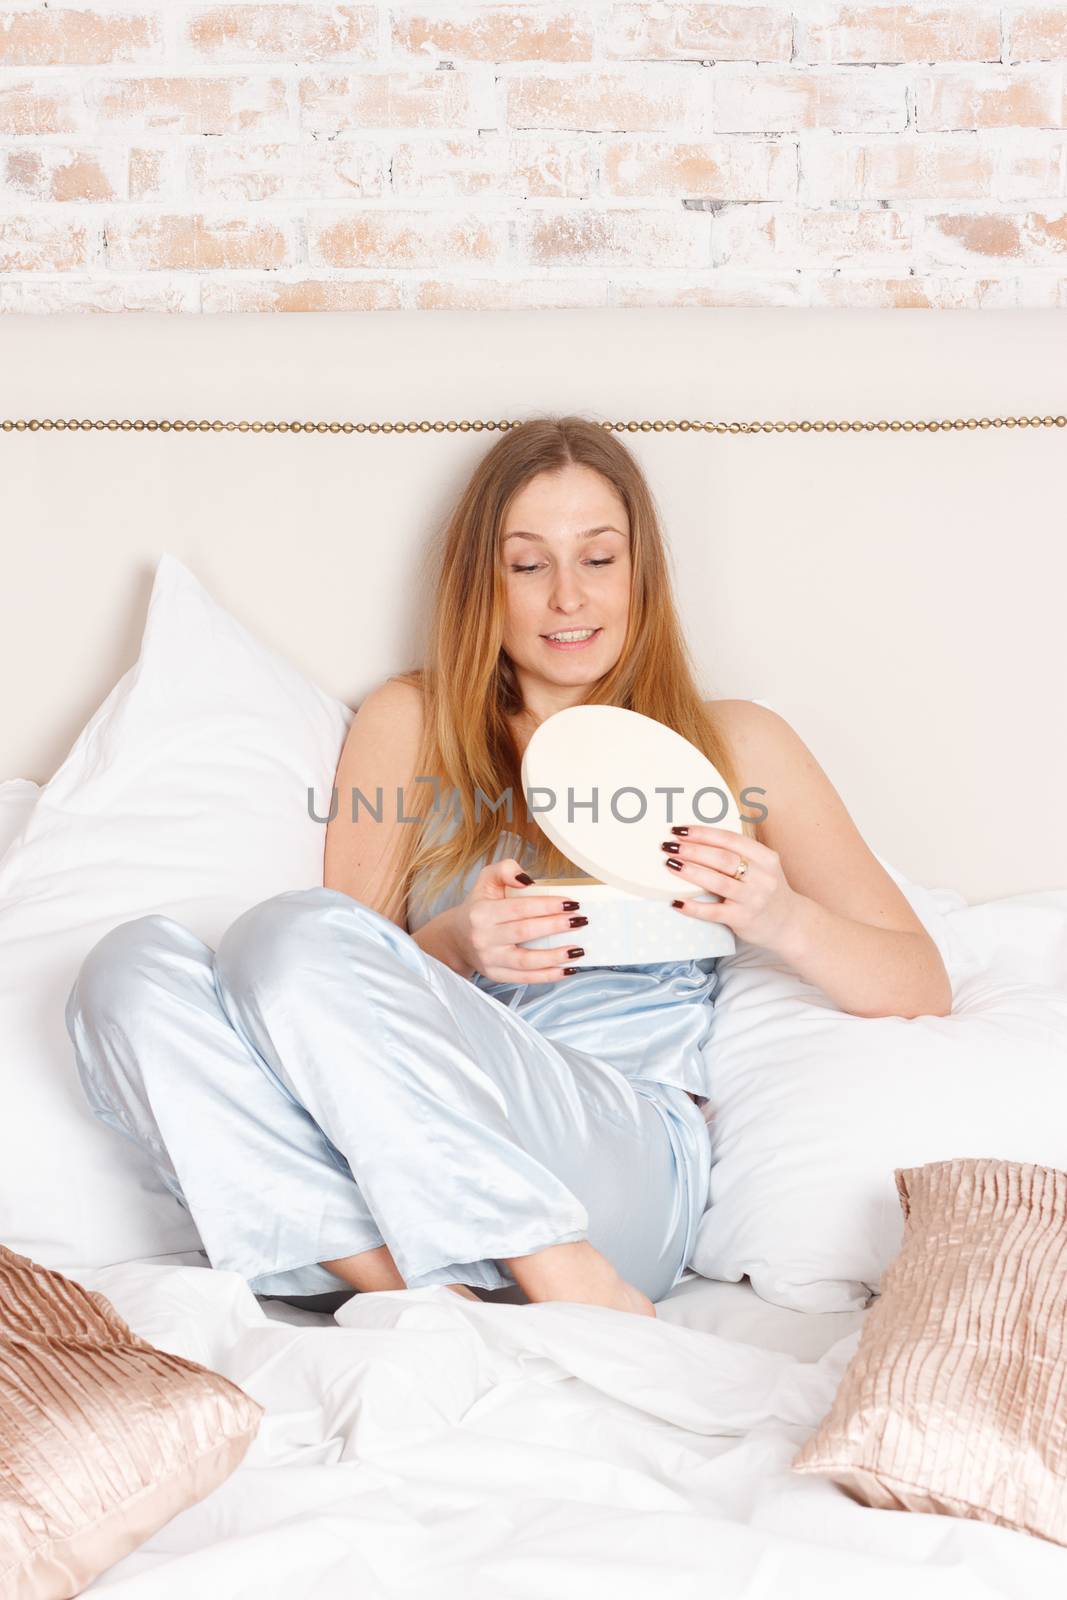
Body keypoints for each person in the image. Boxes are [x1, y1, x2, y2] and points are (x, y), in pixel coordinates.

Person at [64, 416, 952, 1321]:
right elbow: (308, 996)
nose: (567, 597)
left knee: (284, 930)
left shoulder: (734, 743)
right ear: (481, 583)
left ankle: (557, 1263)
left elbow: (919, 981)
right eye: (528, 565)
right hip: (389, 1188)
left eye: (598, 560)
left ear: (640, 574)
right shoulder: (409, 721)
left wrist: (778, 917)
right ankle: (433, 1294)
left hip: (613, 1169)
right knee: (129, 972)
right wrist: (450, 946)